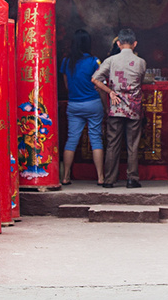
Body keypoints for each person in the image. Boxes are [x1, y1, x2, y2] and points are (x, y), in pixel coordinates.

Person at [92, 28, 148, 188]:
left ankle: (109, 180)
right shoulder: (141, 62)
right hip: (134, 109)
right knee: (132, 144)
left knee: (112, 144)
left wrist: (110, 92)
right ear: (135, 44)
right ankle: (132, 179)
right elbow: (141, 81)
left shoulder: (110, 60)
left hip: (115, 108)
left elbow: (95, 79)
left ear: (118, 43)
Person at [59, 29, 104, 186]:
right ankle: (100, 177)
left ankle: (65, 177)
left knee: (72, 139)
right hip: (92, 103)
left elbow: (66, 85)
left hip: (74, 104)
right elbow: (100, 82)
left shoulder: (66, 62)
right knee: (96, 138)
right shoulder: (94, 61)